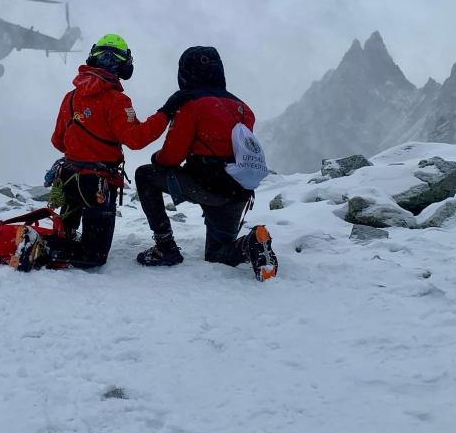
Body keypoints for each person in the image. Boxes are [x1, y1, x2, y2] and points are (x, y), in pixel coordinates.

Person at [17, 33, 172, 271]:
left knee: (68, 235)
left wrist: (82, 149)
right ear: (125, 65)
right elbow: (135, 139)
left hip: (68, 178)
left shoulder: (70, 97)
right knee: (94, 257)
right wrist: (165, 114)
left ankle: (46, 242)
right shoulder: (118, 100)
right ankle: (38, 247)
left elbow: (58, 140)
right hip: (97, 185)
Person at [135, 46, 278, 280]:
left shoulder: (191, 105)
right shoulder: (244, 108)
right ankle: (250, 244)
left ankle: (165, 247)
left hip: (205, 185)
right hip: (238, 192)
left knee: (144, 174)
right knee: (217, 254)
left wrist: (156, 159)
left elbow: (172, 156)